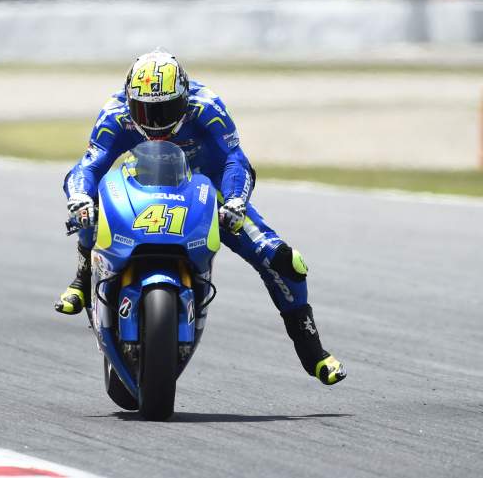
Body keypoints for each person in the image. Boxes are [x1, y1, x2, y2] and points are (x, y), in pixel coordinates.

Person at [55, 49, 346, 386]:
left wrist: (236, 201)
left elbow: (235, 160)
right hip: (142, 185)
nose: (155, 119)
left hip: (207, 193)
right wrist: (78, 197)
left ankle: (314, 352)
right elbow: (89, 164)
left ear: (184, 97)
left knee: (283, 260)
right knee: (92, 202)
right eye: (145, 109)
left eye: (165, 108)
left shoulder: (207, 107)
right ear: (130, 99)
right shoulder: (115, 113)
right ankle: (82, 277)